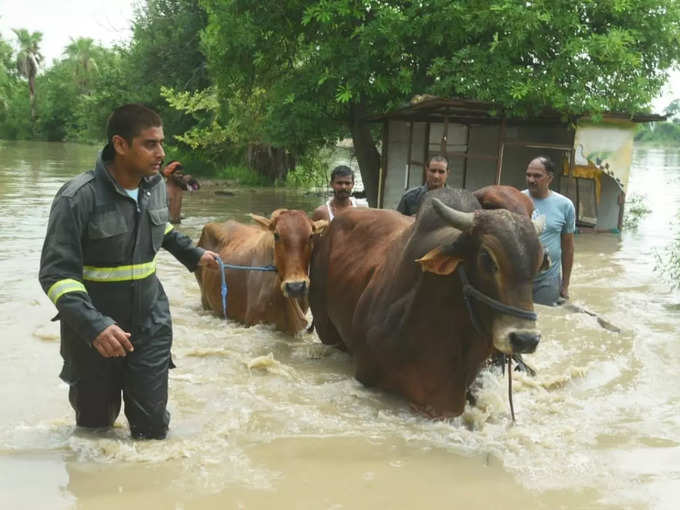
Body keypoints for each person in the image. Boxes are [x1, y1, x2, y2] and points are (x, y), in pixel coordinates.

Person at [39, 103, 219, 440]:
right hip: (94, 334)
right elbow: (55, 274)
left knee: (151, 430)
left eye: (161, 143)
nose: (161, 153)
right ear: (120, 145)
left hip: (150, 323)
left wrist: (193, 255)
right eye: (150, 144)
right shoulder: (77, 198)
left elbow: (158, 229)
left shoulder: (153, 188)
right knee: (95, 429)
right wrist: (95, 326)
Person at [522, 155, 576, 306]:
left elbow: (568, 248)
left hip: (548, 279)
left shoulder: (565, 205)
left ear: (549, 178)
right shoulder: (516, 200)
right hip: (519, 277)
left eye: (537, 176)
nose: (531, 179)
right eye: (528, 175)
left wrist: (565, 286)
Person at [162, 160, 200, 224]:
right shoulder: (163, 189)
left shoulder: (181, 187)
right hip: (167, 224)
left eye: (181, 173)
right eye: (177, 173)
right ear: (169, 174)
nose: (181, 175)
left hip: (178, 223)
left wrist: (192, 180)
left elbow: (196, 188)